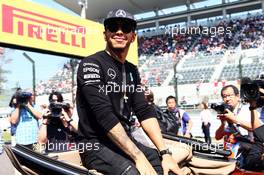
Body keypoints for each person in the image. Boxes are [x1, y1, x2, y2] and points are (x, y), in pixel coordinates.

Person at [76, 9, 183, 175]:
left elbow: (144, 110)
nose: (119, 31)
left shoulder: (132, 70)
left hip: (123, 141)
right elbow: (103, 115)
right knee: (132, 172)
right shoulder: (91, 64)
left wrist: (165, 152)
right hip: (94, 144)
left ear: (133, 37)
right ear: (105, 34)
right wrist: (137, 155)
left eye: (126, 27)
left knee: (156, 160)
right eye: (113, 27)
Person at [215, 85, 258, 158]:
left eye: (230, 95)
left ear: (237, 96)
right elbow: (217, 137)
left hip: (247, 152)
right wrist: (222, 124)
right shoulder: (224, 112)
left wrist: (233, 119)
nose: (227, 99)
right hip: (230, 153)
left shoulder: (248, 110)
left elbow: (255, 128)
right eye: (224, 96)